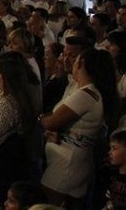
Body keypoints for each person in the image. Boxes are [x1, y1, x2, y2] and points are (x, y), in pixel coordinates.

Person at [40, 47, 121, 201]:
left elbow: (51, 122)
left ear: (81, 64)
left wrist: (40, 119)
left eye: (75, 59)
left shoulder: (86, 95)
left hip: (67, 164)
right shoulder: (90, 92)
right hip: (75, 159)